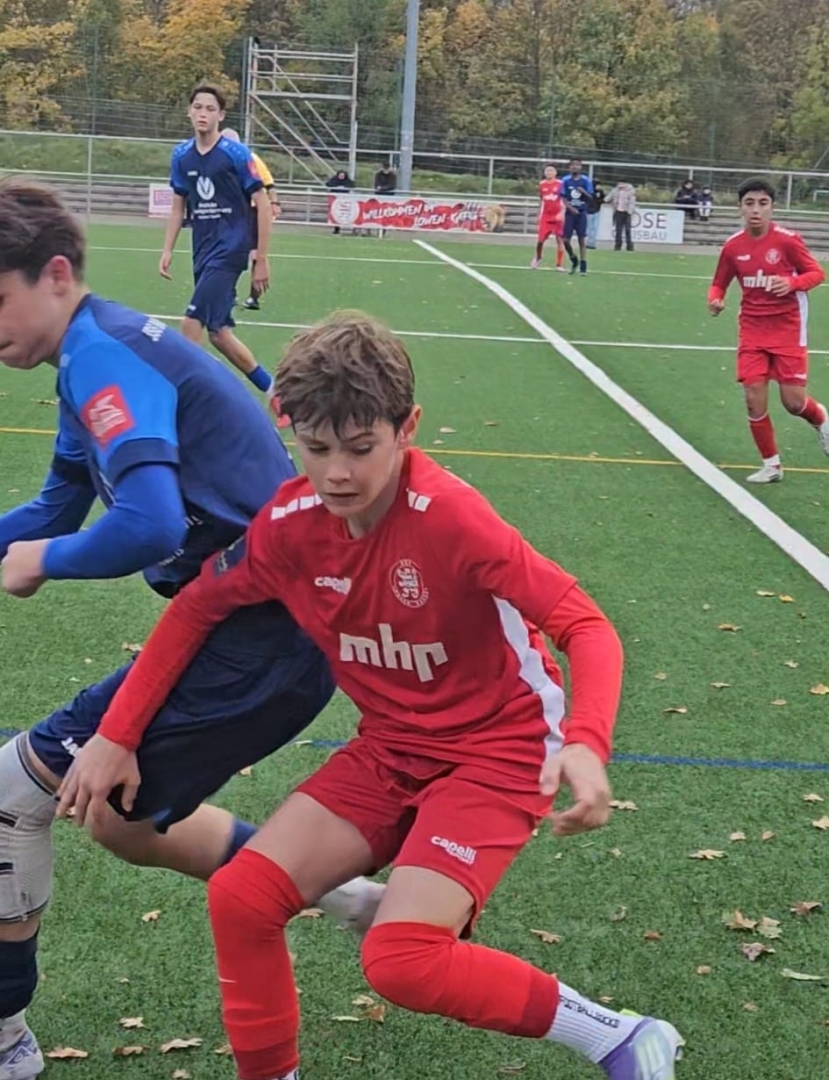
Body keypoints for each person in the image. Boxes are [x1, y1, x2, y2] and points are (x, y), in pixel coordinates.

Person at [96, 312, 684, 1080]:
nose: (337, 473)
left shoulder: (452, 521)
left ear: (407, 427)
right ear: (285, 421)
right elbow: (196, 609)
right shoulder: (288, 526)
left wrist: (585, 742)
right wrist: (116, 734)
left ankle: (621, 1036)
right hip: (391, 747)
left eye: (360, 447)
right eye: (316, 449)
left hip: (499, 750)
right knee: (241, 898)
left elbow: (583, 624)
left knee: (401, 962)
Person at [0, 181, 381, 1080]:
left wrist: (46, 562)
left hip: (263, 636)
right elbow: (57, 505)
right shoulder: (93, 353)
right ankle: (355, 901)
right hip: (258, 630)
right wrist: (35, 542)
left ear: (56, 275)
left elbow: (151, 524)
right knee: (121, 822)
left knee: (10, 795)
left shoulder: (100, 358)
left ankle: (6, 1041)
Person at [708, 177, 829, 483]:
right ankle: (771, 465)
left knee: (793, 403)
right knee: (753, 396)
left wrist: (792, 283)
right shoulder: (733, 246)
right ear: (740, 208)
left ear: (772, 207)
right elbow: (719, 282)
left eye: (762, 203)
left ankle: (821, 419)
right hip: (752, 330)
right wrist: (715, 300)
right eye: (749, 203)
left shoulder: (788, 241)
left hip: (788, 328)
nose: (756, 210)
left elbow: (817, 273)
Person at [159, 84, 274, 398]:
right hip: (203, 251)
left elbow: (263, 204)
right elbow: (178, 206)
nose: (203, 114)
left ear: (221, 116)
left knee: (191, 323)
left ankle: (191, 400)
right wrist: (167, 249)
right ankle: (275, 392)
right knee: (220, 334)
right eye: (198, 107)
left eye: (210, 109)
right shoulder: (181, 156)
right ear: (189, 111)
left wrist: (261, 259)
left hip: (231, 250)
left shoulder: (236, 154)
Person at [220, 130, 281, 312]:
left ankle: (253, 297)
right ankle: (229, 294)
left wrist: (274, 202)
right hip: (230, 212)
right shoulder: (217, 159)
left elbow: (268, 183)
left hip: (252, 211)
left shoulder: (250, 158)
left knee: (255, 254)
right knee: (228, 251)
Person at [560, 159, 595, 275]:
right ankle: (573, 258)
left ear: (580, 167)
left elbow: (591, 197)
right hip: (569, 214)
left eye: (577, 165)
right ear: (569, 167)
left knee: (581, 239)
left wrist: (583, 192)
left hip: (581, 213)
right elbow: (563, 198)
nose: (575, 167)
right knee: (565, 240)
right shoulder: (565, 180)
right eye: (573, 165)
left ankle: (583, 265)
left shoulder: (585, 180)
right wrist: (570, 208)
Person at [531, 163, 566, 271]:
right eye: (547, 170)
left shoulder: (561, 184)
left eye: (551, 170)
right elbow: (541, 200)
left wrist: (562, 213)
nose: (549, 172)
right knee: (540, 240)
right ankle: (538, 257)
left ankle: (559, 264)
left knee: (560, 239)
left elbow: (565, 200)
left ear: (555, 172)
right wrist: (539, 214)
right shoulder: (542, 184)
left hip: (557, 216)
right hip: (546, 216)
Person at [607, 181, 636, 251]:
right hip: (618, 212)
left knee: (627, 229)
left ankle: (629, 245)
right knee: (618, 229)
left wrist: (630, 211)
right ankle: (618, 245)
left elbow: (632, 202)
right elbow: (608, 198)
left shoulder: (630, 191)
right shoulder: (615, 191)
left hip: (626, 212)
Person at [326, 168, 355, 235]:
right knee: (336, 214)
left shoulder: (347, 181)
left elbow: (352, 185)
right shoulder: (334, 180)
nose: (341, 177)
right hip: (335, 199)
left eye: (343, 176)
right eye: (340, 176)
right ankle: (336, 229)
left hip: (344, 200)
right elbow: (328, 184)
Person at [586, 178, 605, 250]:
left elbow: (603, 199)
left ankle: (592, 243)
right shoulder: (589, 191)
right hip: (590, 212)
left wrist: (600, 199)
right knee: (589, 228)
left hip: (597, 211)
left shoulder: (600, 191)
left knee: (595, 228)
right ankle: (589, 242)